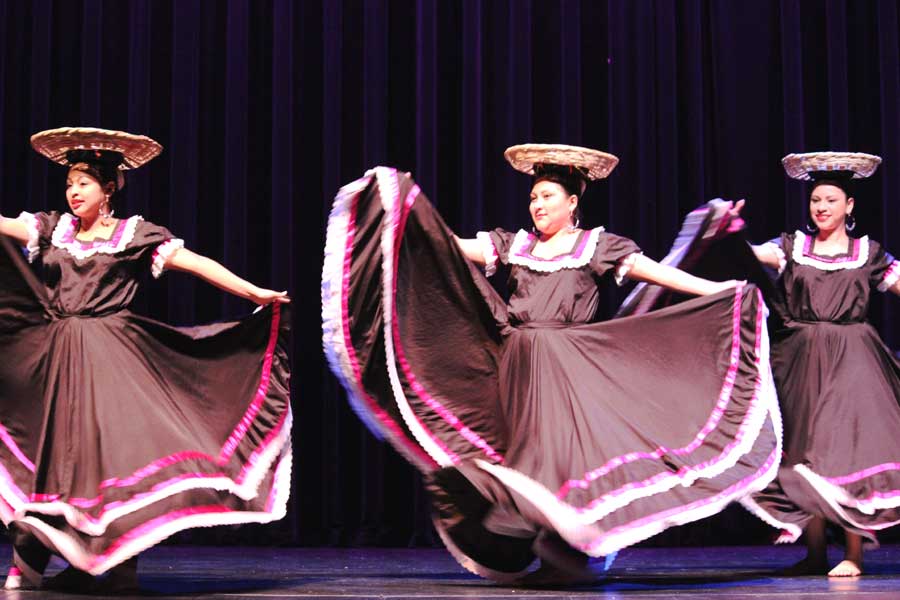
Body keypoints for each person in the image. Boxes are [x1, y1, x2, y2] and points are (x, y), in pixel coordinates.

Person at [322, 144, 782, 582]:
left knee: (562, 459)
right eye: (533, 197)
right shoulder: (516, 244)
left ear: (572, 202)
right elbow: (449, 245)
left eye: (547, 196)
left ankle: (584, 552)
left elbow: (660, 274)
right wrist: (405, 212)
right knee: (525, 456)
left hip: (569, 366)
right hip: (519, 364)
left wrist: (721, 292)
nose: (537, 205)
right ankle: (556, 549)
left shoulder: (598, 246)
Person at [0, 127, 292, 592]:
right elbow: (4, 227)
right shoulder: (54, 229)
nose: (73, 192)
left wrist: (252, 290)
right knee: (51, 455)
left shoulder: (132, 235)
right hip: (56, 357)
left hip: (110, 358)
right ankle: (29, 557)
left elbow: (195, 263)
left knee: (104, 460)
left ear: (109, 188)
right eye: (70, 183)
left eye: (84, 183)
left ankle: (111, 561)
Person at [731, 152, 900, 577]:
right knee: (804, 448)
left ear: (849, 206)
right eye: (815, 201)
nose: (821, 208)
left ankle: (854, 553)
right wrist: (728, 231)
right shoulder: (792, 247)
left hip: (852, 356)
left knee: (842, 449)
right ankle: (814, 550)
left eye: (829, 200)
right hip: (800, 358)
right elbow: (748, 257)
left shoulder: (868, 252)